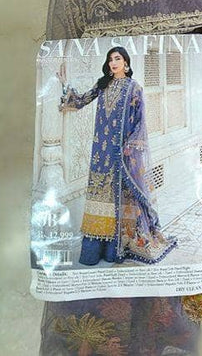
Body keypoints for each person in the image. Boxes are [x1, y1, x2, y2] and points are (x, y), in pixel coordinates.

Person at [58, 47, 176, 266]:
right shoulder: (102, 84)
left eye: (117, 59)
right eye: (110, 59)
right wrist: (65, 84)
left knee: (119, 195)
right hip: (100, 152)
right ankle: (94, 251)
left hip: (122, 153)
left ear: (126, 63)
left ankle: (114, 249)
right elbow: (80, 101)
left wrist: (130, 146)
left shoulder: (134, 87)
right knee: (100, 194)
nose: (113, 63)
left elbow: (140, 121)